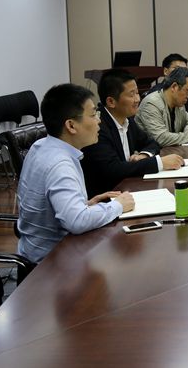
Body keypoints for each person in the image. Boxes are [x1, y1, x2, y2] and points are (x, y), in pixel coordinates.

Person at [16, 84, 135, 263]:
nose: (99, 121)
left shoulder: (40, 146)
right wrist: (118, 205)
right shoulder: (60, 164)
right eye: (93, 115)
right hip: (51, 263)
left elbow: (54, 209)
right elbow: (77, 221)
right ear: (71, 125)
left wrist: (85, 205)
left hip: (36, 252)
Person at [81, 69, 185, 198]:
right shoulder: (98, 127)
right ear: (111, 102)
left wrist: (144, 155)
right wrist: (159, 163)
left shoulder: (128, 120)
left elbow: (151, 143)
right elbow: (113, 169)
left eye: (137, 93)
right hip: (106, 199)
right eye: (131, 95)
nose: (137, 99)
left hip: (127, 190)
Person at [136, 67, 188, 146]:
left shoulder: (178, 104)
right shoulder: (151, 104)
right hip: (149, 152)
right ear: (174, 87)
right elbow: (161, 138)